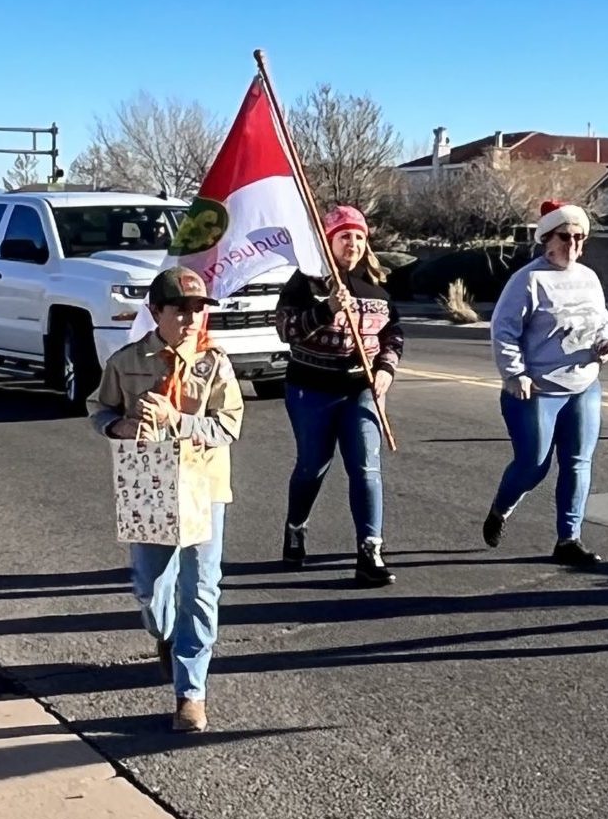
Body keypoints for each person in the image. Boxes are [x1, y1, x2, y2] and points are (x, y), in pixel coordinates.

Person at [91, 266, 242, 734]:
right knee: (152, 589)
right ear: (156, 311)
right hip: (149, 489)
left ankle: (190, 694)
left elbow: (228, 426)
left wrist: (179, 419)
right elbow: (100, 410)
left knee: (201, 589)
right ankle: (166, 634)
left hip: (203, 488)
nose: (192, 318)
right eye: (181, 309)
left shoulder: (214, 363)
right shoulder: (127, 360)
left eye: (199, 309)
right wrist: (120, 427)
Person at [483, 200, 608, 568]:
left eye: (579, 237)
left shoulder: (589, 277)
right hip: (536, 390)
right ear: (547, 238)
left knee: (578, 462)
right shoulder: (529, 279)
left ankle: (568, 538)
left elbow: (602, 321)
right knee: (533, 465)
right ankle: (501, 508)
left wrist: (607, 343)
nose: (573, 244)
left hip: (583, 384)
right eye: (565, 236)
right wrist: (515, 373)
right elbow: (503, 330)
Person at [276, 204, 404, 586]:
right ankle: (296, 526)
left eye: (360, 237)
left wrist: (386, 370)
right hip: (311, 387)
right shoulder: (305, 282)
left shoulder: (375, 286)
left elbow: (393, 334)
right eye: (345, 236)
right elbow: (286, 330)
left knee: (366, 467)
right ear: (328, 241)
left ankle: (370, 550)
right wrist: (327, 308)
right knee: (313, 465)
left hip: (360, 389)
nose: (353, 243)